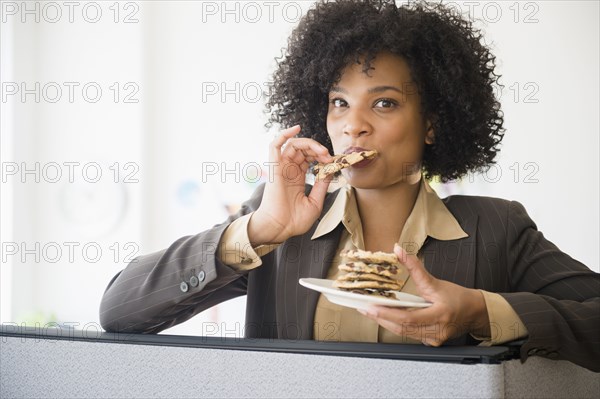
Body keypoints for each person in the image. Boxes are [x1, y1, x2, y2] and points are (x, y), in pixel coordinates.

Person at [99, 0, 599, 372]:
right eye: (339, 102)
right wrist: (262, 228)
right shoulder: (276, 226)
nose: (352, 126)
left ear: (432, 123)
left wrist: (480, 311)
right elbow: (120, 311)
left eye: (383, 103)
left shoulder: (497, 229)